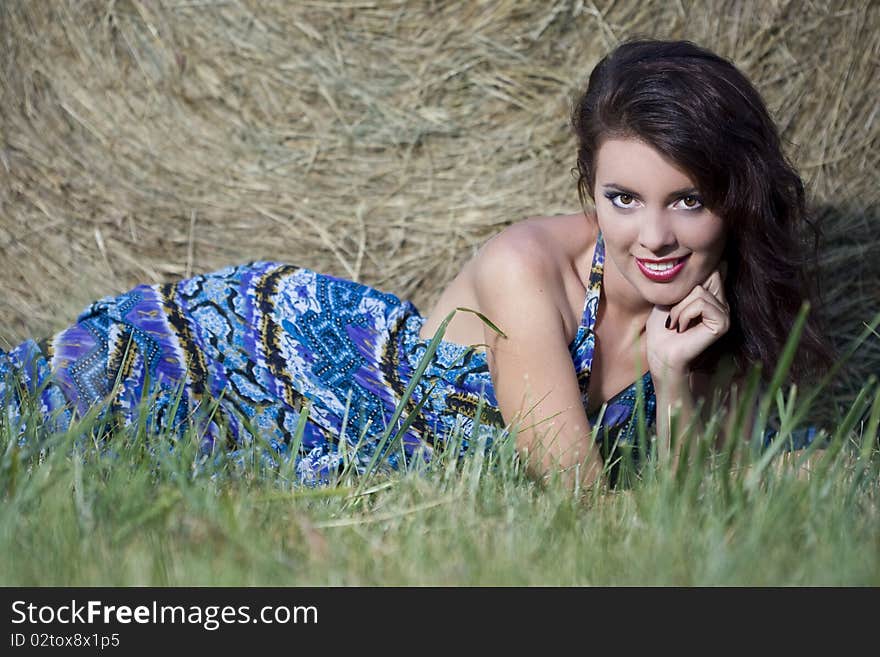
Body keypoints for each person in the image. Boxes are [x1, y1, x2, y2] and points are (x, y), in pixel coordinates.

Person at [0, 39, 836, 488]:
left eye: (687, 199)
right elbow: (588, 508)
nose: (652, 236)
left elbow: (685, 521)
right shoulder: (527, 269)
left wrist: (675, 381)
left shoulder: (713, 315)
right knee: (36, 410)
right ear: (589, 188)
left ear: (737, 198)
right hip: (254, 359)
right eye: (622, 198)